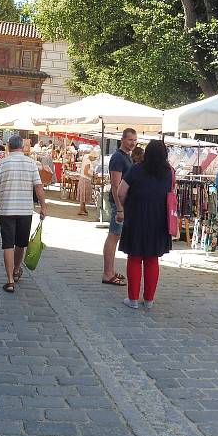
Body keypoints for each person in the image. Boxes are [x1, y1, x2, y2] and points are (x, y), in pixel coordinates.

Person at [116, 140, 174, 309]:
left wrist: (124, 206)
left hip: (136, 217)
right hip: (159, 219)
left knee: (134, 257)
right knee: (152, 259)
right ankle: (149, 300)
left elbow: (120, 192)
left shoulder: (136, 169)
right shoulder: (169, 173)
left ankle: (132, 299)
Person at [0, 135, 47, 293]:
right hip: (25, 210)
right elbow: (38, 187)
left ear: (8, 146)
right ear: (22, 147)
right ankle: (16, 270)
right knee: (20, 243)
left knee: (7, 244)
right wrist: (43, 206)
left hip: (7, 209)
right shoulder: (31, 164)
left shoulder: (2, 163)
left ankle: (9, 281)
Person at [103, 128, 138, 286]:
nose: (133, 143)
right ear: (123, 140)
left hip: (124, 203)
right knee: (113, 236)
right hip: (118, 203)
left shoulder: (127, 157)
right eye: (130, 140)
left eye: (135, 140)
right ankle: (107, 273)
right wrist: (119, 208)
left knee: (115, 237)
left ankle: (110, 270)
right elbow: (115, 184)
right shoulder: (118, 158)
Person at [76, 148, 97, 216]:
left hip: (85, 179)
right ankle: (81, 210)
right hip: (85, 179)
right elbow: (86, 172)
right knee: (83, 194)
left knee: (83, 194)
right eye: (94, 158)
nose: (95, 159)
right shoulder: (88, 161)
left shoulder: (86, 159)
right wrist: (93, 175)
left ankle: (83, 208)